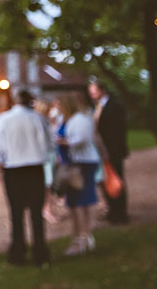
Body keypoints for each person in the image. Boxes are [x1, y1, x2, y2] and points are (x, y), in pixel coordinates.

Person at [0, 90, 51, 267]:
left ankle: (18, 253)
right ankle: (40, 253)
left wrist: (1, 163)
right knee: (36, 214)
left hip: (14, 171)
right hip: (34, 169)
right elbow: (48, 146)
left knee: (16, 214)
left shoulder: (4, 119)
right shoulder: (38, 119)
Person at [57, 91, 101, 255]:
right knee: (75, 201)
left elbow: (81, 140)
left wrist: (63, 141)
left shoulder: (80, 120)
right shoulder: (70, 119)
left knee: (82, 199)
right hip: (74, 162)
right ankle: (81, 235)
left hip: (82, 163)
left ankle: (83, 236)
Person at [88, 81, 130, 224]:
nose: (91, 94)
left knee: (117, 179)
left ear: (102, 90)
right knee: (107, 180)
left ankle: (120, 214)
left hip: (113, 150)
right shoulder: (98, 106)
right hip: (103, 151)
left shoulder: (114, 105)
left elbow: (118, 131)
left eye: (93, 91)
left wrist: (110, 151)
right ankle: (112, 210)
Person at [33, 99, 60, 223]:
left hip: (50, 155)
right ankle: (47, 209)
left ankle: (48, 208)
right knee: (47, 185)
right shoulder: (40, 123)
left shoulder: (45, 122)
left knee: (49, 184)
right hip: (46, 157)